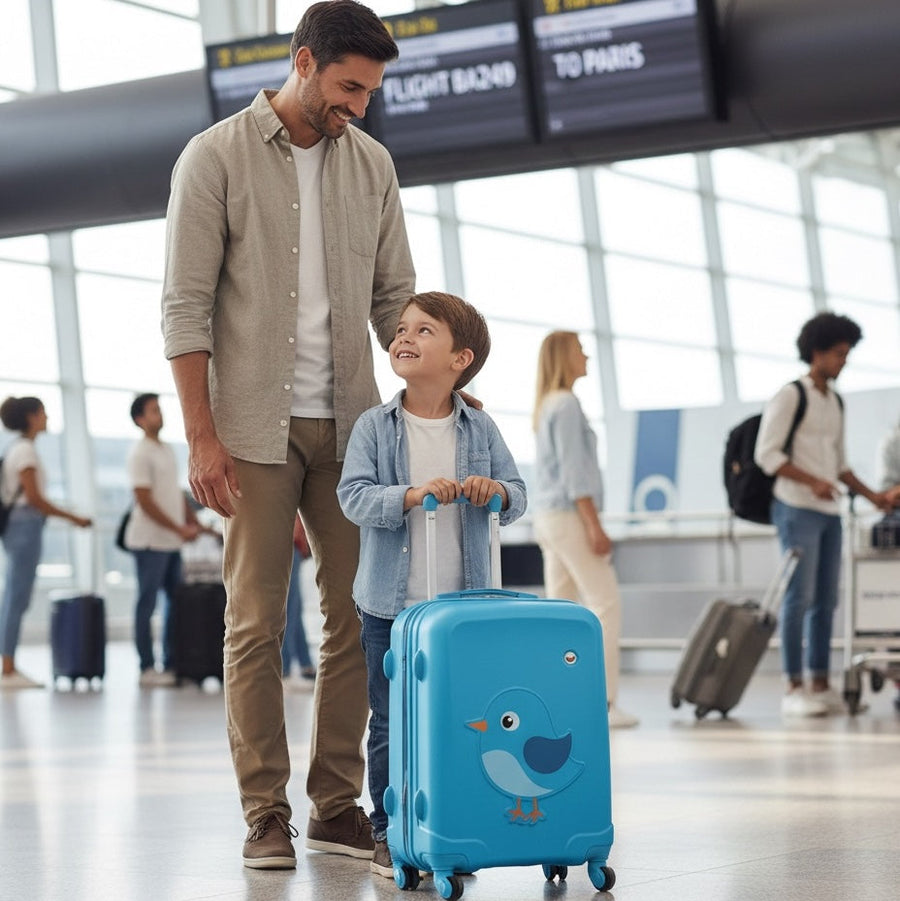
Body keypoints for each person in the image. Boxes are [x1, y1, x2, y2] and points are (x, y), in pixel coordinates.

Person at [161, 0, 415, 870]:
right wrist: (200, 436)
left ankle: (336, 803)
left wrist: (435, 388)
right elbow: (186, 307)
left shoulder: (372, 164)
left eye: (371, 91)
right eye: (349, 86)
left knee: (357, 614)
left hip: (353, 425)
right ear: (303, 63)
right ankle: (265, 811)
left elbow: (394, 299)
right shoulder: (215, 157)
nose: (361, 105)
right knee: (254, 619)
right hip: (250, 430)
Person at [337, 291, 527, 878]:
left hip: (460, 610)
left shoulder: (480, 426)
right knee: (391, 721)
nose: (404, 337)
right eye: (400, 329)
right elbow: (353, 497)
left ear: (459, 358)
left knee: (461, 717)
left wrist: (491, 492)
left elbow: (517, 495)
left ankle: (451, 825)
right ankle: (389, 833)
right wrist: (410, 497)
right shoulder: (375, 424)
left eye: (424, 330)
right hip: (390, 609)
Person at [755, 312, 893, 718]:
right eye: (838, 353)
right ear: (817, 353)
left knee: (826, 599)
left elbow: (841, 464)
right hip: (796, 509)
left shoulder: (834, 402)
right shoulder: (789, 396)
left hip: (829, 512)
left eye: (847, 354)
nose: (843, 361)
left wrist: (874, 497)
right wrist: (811, 480)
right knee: (800, 598)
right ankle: (793, 686)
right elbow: (767, 454)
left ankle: (819, 681)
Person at [531, 331, 638, 730]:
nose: (587, 355)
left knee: (562, 609)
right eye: (580, 349)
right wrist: (594, 525)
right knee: (604, 604)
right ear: (564, 356)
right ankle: (605, 702)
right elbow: (576, 473)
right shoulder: (567, 404)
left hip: (548, 517)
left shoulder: (547, 405)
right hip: (570, 517)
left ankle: (562, 699)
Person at [0, 396, 92, 689]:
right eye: (43, 412)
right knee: (16, 597)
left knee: (15, 596)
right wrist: (74, 518)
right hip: (24, 526)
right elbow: (36, 499)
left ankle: (8, 664)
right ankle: (8, 667)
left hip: (21, 526)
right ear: (31, 416)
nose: (47, 417)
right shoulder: (25, 451)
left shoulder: (18, 449)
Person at [125, 393, 202, 687]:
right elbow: (144, 501)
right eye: (154, 411)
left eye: (160, 409)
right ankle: (146, 667)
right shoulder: (139, 453)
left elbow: (173, 493)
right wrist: (177, 528)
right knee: (146, 604)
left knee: (175, 603)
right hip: (149, 542)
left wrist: (190, 521)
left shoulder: (167, 449)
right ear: (140, 420)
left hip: (171, 542)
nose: (160, 415)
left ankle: (171, 663)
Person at [282, 513, 317, 688]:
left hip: (290, 545)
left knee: (294, 608)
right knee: (289, 609)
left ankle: (304, 665)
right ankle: (286, 668)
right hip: (288, 543)